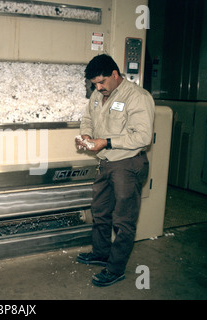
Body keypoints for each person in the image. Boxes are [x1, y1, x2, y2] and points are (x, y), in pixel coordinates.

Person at [75, 54, 155, 287]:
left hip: (127, 165)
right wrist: (87, 136)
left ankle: (116, 268)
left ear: (115, 74)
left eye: (101, 82)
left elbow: (143, 136)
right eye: (94, 85)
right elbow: (87, 118)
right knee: (100, 212)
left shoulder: (137, 97)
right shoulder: (98, 95)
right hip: (106, 163)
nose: (98, 88)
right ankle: (101, 253)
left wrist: (106, 142)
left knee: (123, 220)